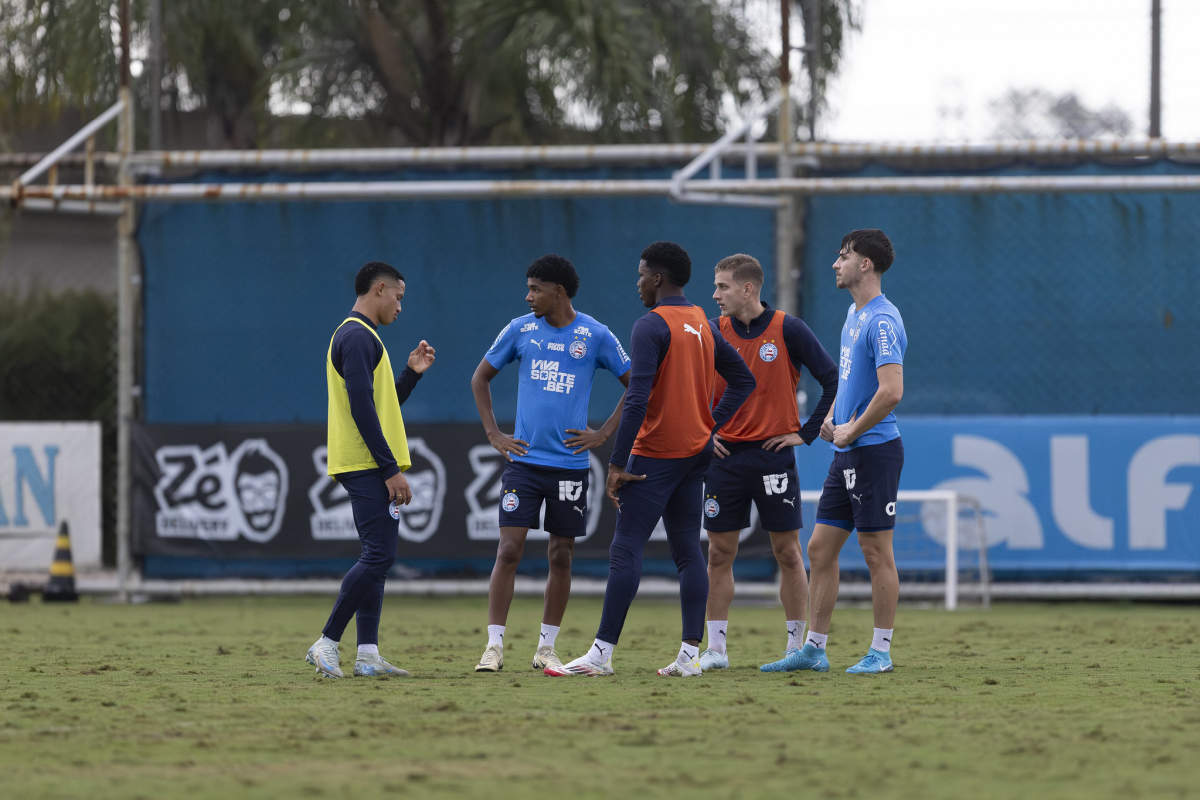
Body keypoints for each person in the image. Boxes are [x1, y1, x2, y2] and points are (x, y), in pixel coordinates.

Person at [546, 241, 755, 678]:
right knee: (687, 553)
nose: (638, 282)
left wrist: (618, 462)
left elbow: (637, 396)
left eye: (642, 274)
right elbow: (742, 380)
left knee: (625, 550)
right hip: (694, 455)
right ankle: (689, 657)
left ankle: (601, 655)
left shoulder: (651, 325)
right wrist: (708, 426)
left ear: (658, 278)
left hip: (655, 454)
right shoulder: (701, 320)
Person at [470, 254, 631, 674]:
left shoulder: (595, 335)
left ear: (557, 291)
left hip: (570, 468)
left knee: (561, 555)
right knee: (509, 550)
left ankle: (546, 647)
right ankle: (493, 645)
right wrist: (493, 433)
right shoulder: (521, 330)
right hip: (523, 464)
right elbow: (480, 377)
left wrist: (604, 432)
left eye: (535, 289)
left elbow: (637, 386)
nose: (528, 297)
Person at [697, 253, 838, 673]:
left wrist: (807, 431)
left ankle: (796, 646)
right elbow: (686, 386)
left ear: (748, 289)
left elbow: (831, 378)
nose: (715, 294)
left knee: (788, 552)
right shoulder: (711, 330)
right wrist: (704, 434)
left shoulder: (788, 329)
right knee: (719, 553)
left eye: (722, 286)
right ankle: (716, 650)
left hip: (774, 456)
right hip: (724, 458)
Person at [305, 261, 436, 679]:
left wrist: (410, 376)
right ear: (379, 289)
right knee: (379, 555)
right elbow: (361, 409)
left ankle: (367, 654)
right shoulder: (357, 336)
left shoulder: (363, 338)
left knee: (376, 558)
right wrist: (389, 469)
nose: (400, 306)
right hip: (365, 464)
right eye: (398, 296)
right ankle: (326, 642)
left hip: (366, 462)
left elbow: (379, 405)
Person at [788, 228, 907, 675]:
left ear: (865, 265)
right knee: (819, 548)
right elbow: (852, 380)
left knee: (876, 552)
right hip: (849, 451)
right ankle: (814, 649)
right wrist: (833, 418)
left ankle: (880, 652)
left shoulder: (881, 320)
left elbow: (892, 391)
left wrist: (852, 429)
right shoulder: (853, 315)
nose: (836, 264)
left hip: (875, 451)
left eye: (844, 257)